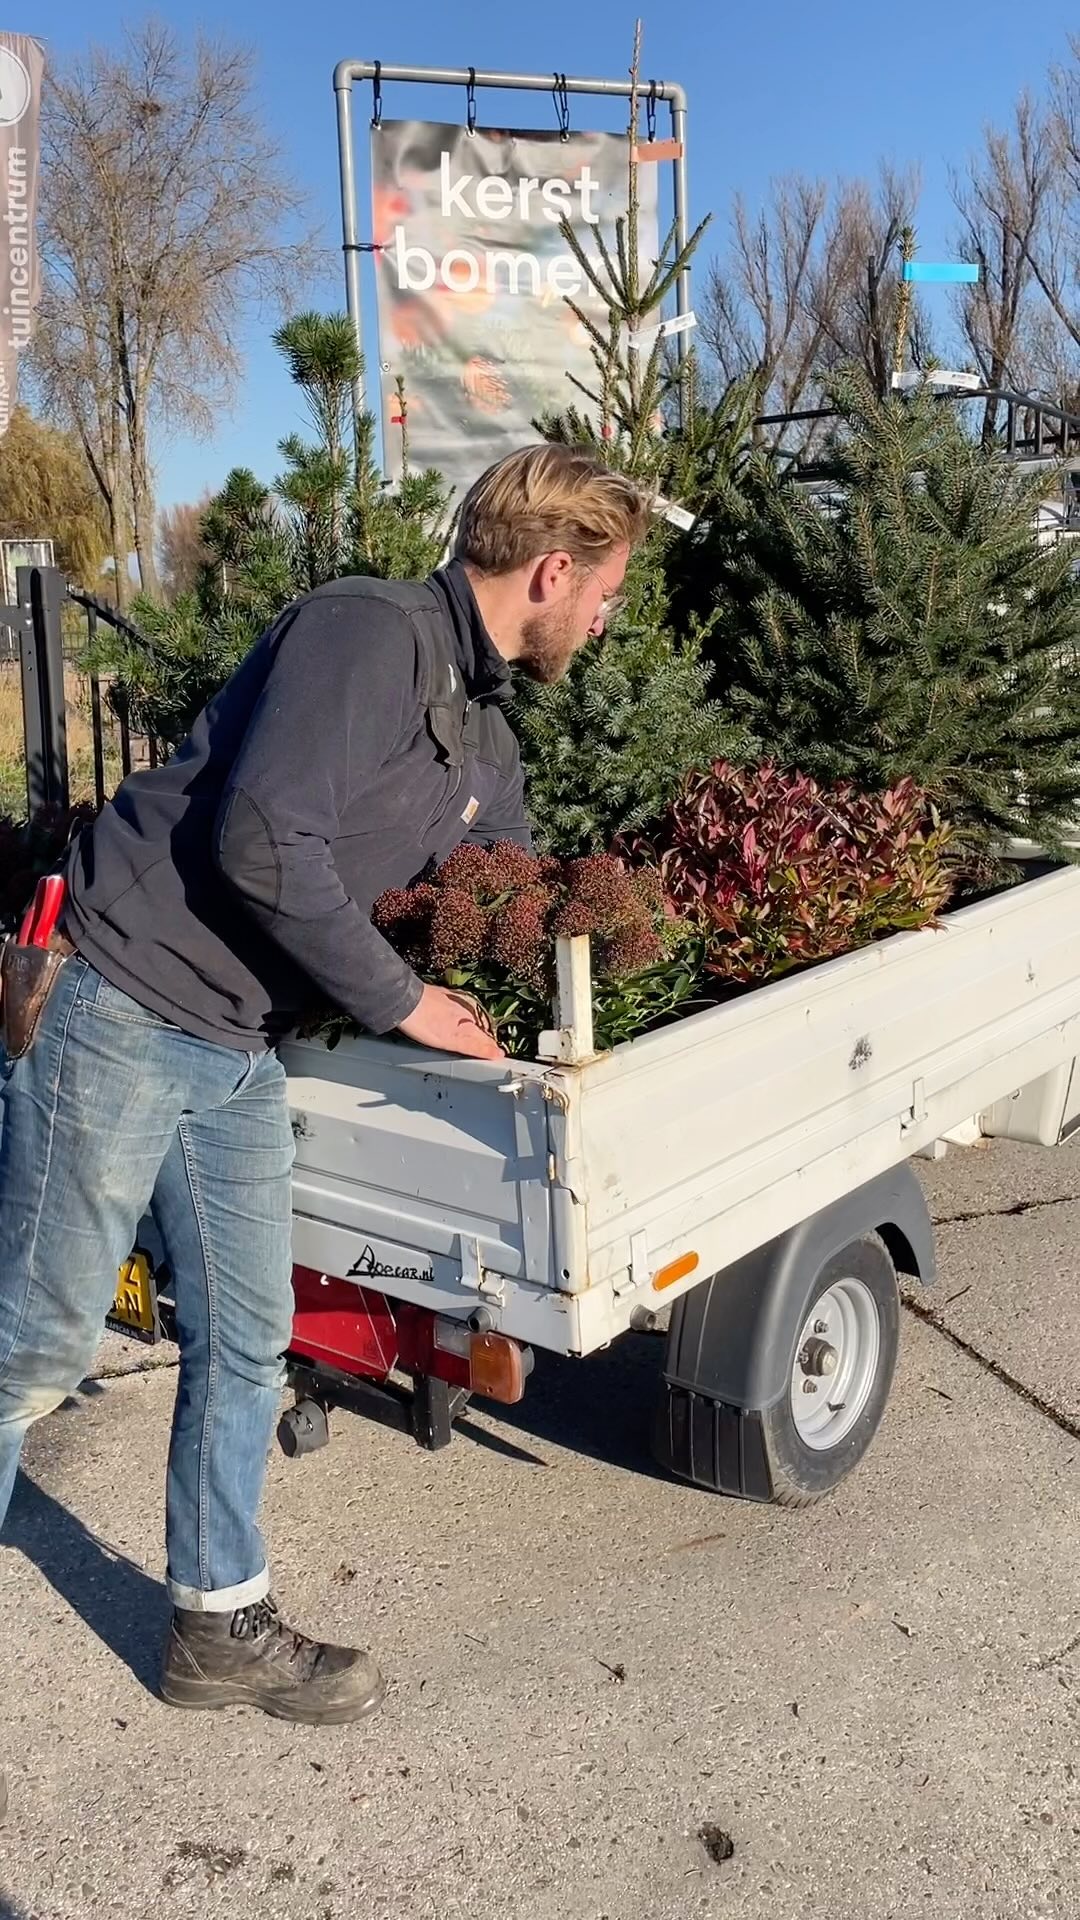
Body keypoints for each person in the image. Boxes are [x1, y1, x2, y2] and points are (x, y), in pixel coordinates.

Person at [0, 444, 649, 1727]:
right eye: (607, 593)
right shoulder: (368, 633)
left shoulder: (484, 729)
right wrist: (405, 1003)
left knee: (248, 1336)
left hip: (240, 1045)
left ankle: (217, 1625)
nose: (604, 620)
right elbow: (262, 840)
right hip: (122, 1004)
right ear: (553, 571)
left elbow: (495, 877)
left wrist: (582, 933)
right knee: (39, 1340)